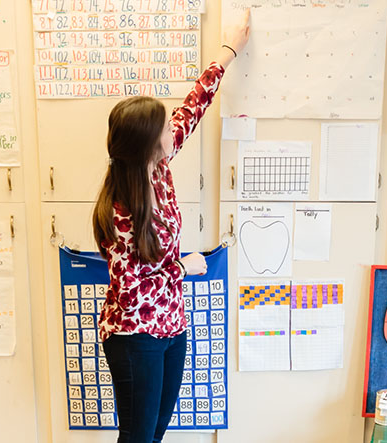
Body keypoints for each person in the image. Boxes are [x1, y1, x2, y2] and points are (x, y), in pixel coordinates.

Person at [92, 10, 251, 443]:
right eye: (164, 128)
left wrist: (228, 51)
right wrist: (185, 267)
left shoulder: (157, 164)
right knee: (139, 437)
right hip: (134, 335)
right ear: (148, 142)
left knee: (155, 433)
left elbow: (192, 109)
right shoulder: (120, 210)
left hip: (170, 327)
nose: (172, 128)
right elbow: (131, 288)